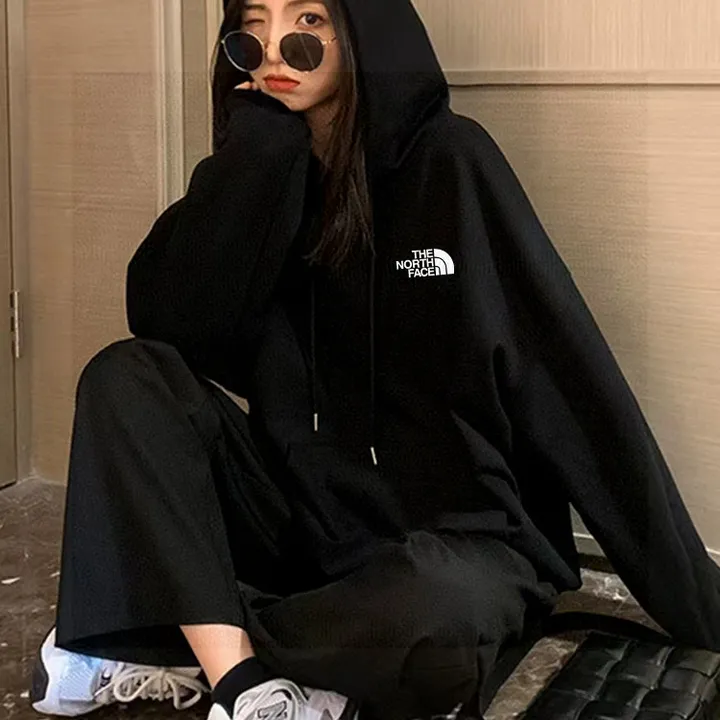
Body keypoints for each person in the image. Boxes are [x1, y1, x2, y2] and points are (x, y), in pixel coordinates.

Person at [30, 0, 720, 718]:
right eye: (255, 21)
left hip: (456, 542)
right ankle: (246, 687)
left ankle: (184, 635)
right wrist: (255, 155)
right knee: (125, 376)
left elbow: (568, 381)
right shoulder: (260, 173)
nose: (276, 47)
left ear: (362, 29)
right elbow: (169, 323)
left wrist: (698, 605)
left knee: (433, 616)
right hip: (305, 526)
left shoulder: (450, 163)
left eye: (308, 21)